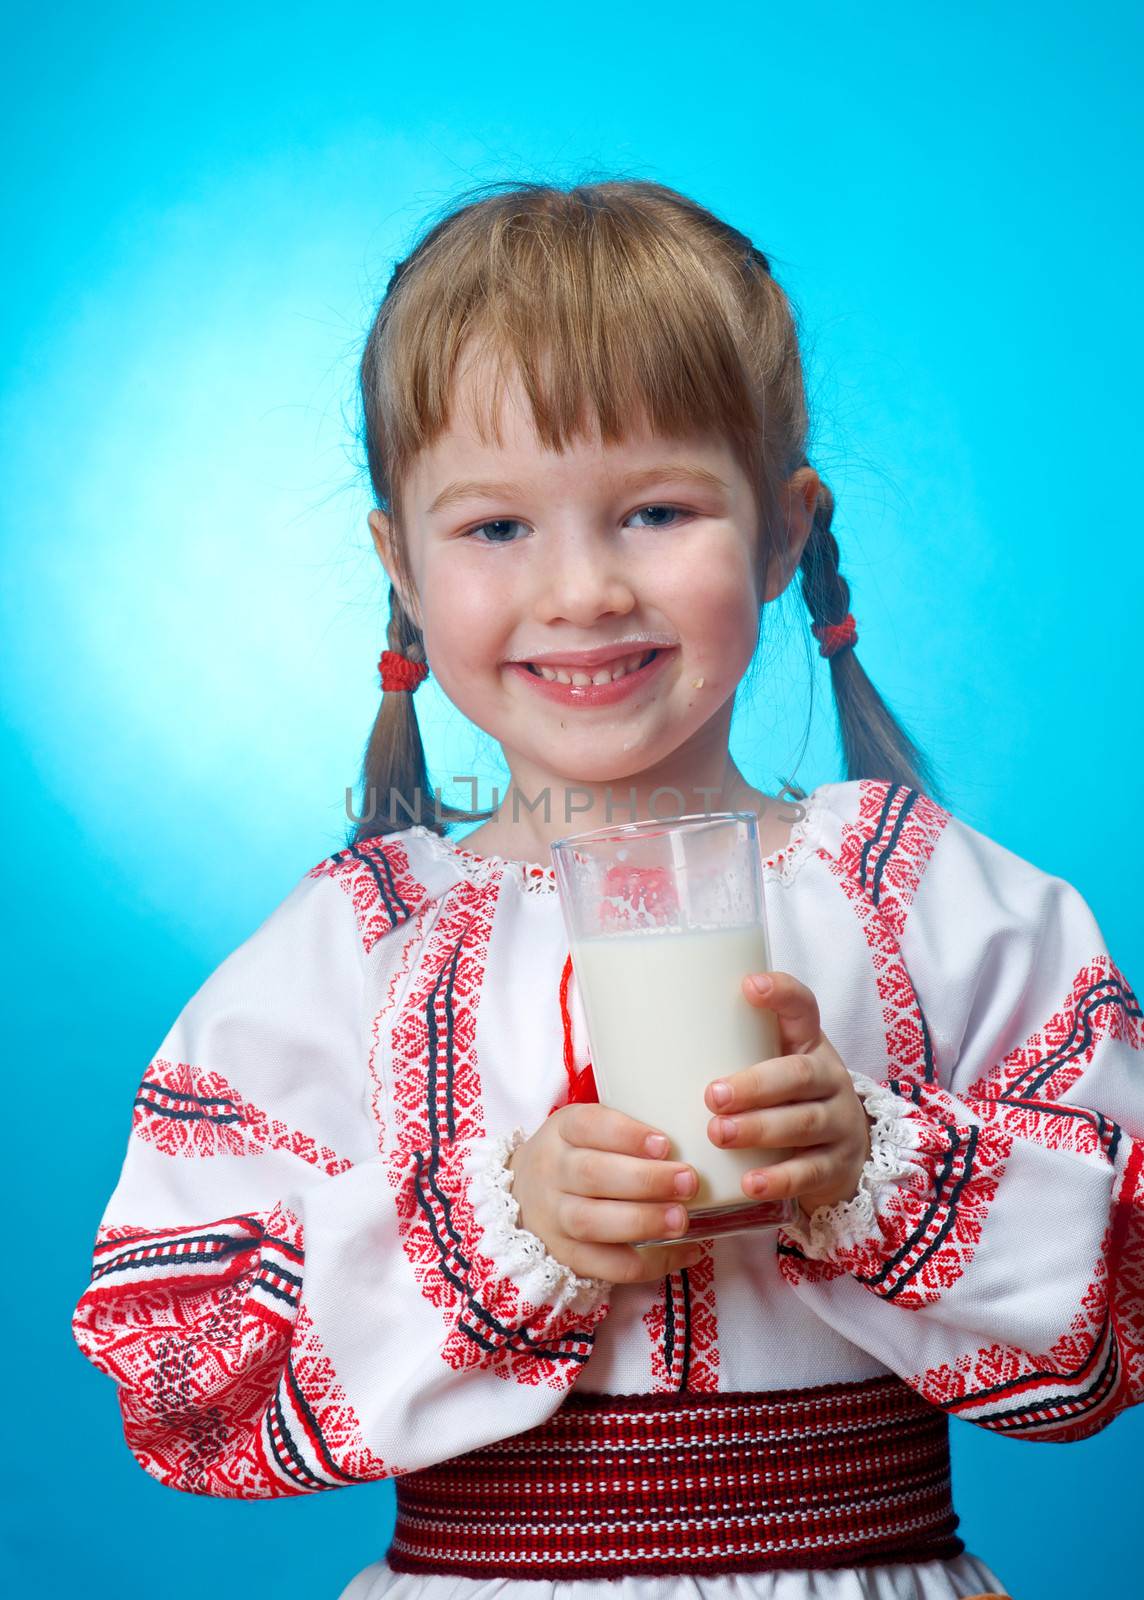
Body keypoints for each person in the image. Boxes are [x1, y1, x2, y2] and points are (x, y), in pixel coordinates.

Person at [71, 179, 1142, 1600]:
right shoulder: (355, 949)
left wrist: (878, 1166)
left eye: (653, 510)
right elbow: (183, 1375)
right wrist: (501, 1230)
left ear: (778, 533)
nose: (581, 590)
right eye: (497, 528)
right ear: (401, 567)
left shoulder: (935, 901)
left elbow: (1120, 1319)